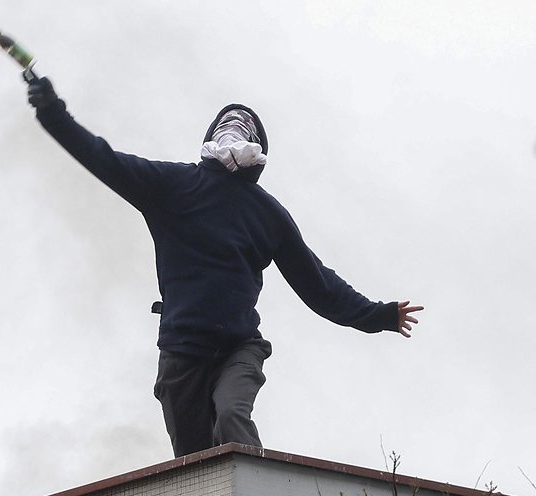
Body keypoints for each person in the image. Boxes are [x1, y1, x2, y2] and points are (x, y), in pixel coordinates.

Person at [24, 75, 423, 458]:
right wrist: (53, 114)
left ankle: (253, 489)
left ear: (258, 148)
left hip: (238, 346)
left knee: (232, 415)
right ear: (210, 138)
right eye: (228, 125)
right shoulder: (172, 186)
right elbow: (103, 159)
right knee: (194, 460)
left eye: (245, 128)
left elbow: (317, 283)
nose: (235, 133)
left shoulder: (267, 214)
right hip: (182, 351)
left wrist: (379, 315)